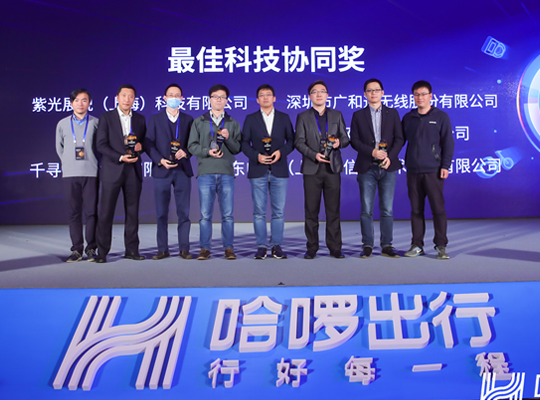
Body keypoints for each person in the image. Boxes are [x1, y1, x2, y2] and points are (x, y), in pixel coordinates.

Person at [294, 80, 350, 259]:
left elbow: (346, 138)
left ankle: (335, 247)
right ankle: (312, 247)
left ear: (327, 95)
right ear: (309, 96)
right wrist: (313, 154)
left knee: (333, 210)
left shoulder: (337, 115)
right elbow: (299, 142)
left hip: (332, 168)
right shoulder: (303, 116)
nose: (319, 94)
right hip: (312, 168)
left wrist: (340, 142)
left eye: (322, 91)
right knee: (311, 210)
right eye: (315, 91)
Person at [350, 79, 405, 258]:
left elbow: (400, 138)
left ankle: (387, 245)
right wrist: (372, 152)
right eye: (369, 90)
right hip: (367, 167)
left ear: (383, 92)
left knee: (387, 209)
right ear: (364, 94)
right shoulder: (358, 115)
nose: (373, 93)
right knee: (366, 209)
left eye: (377, 90)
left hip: (388, 166)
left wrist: (390, 156)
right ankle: (367, 245)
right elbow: (354, 141)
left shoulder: (392, 113)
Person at [187, 84, 241, 260]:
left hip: (226, 173)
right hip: (206, 172)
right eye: (215, 96)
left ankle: (229, 248)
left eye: (222, 97)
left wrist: (228, 138)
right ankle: (205, 248)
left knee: (228, 215)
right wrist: (207, 151)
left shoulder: (232, 123)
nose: (219, 100)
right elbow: (191, 146)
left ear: (227, 101)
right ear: (209, 99)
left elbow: (237, 148)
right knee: (205, 215)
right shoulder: (199, 121)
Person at [402, 80, 454, 259]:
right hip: (413, 171)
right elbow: (399, 141)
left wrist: (445, 165)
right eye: (416, 94)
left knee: (438, 209)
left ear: (430, 96)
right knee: (416, 210)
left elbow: (448, 143)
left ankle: (441, 246)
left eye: (423, 94)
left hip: (434, 171)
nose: (420, 98)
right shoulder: (408, 118)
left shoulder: (441, 117)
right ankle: (417, 245)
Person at [242, 84, 294, 259]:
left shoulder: (284, 118)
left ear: (274, 98)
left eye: (268, 94)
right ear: (257, 100)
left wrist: (281, 152)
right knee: (259, 212)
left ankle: (276, 246)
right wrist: (256, 156)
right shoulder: (250, 119)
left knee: (278, 211)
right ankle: (261, 246)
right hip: (258, 170)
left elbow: (292, 141)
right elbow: (244, 143)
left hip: (279, 169)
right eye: (262, 95)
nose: (265, 97)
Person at [95, 84, 146, 263]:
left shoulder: (140, 119)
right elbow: (101, 145)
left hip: (133, 171)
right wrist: (120, 157)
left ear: (134, 99)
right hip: (112, 170)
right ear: (117, 97)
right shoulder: (106, 117)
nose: (127, 99)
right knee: (106, 213)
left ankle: (132, 250)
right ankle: (102, 252)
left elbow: (144, 143)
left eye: (130, 96)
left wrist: (140, 147)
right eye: (124, 96)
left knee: (132, 213)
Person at [145, 84, 194, 260]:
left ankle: (184, 249)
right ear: (164, 98)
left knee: (184, 213)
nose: (174, 98)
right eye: (170, 95)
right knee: (161, 213)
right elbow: (148, 143)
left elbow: (193, 143)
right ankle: (162, 249)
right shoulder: (155, 119)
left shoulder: (188, 119)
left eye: (177, 95)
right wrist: (160, 160)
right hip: (162, 170)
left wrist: (186, 152)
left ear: (182, 99)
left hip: (182, 171)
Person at [55, 89, 99, 262]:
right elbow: (59, 148)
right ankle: (77, 250)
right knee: (74, 213)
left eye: (84, 100)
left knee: (91, 213)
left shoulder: (96, 123)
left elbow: (100, 147)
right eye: (77, 100)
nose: (80, 103)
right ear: (71, 103)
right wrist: (68, 163)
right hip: (70, 174)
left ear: (89, 103)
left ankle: (91, 248)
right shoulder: (62, 124)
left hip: (91, 172)